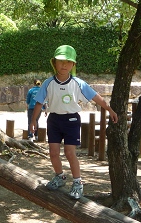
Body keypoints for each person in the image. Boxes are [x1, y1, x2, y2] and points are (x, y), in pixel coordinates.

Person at [30, 45, 118, 200]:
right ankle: (60, 177)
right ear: (54, 63)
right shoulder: (48, 83)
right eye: (61, 61)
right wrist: (33, 121)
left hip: (71, 120)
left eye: (68, 62)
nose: (64, 65)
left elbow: (95, 96)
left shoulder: (78, 83)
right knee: (53, 153)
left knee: (70, 153)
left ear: (73, 65)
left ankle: (78, 183)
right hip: (54, 120)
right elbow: (38, 102)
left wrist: (109, 109)